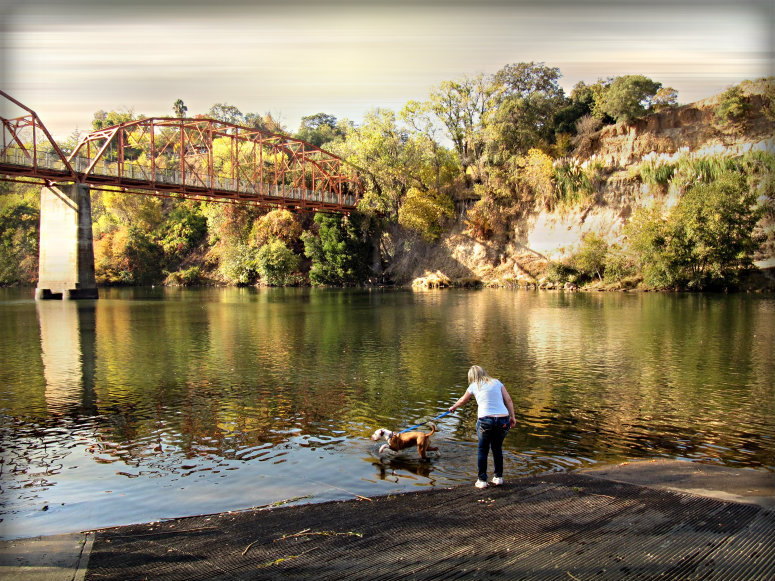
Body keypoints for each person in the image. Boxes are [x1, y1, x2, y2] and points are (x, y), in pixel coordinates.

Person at [449, 365, 517, 488]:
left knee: (483, 450)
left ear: (472, 376)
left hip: (486, 420)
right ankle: (498, 478)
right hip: (503, 420)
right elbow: (509, 400)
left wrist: (453, 407)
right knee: (497, 448)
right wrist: (512, 416)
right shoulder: (497, 382)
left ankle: (482, 480)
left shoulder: (474, 385)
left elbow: (463, 400)